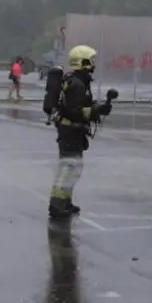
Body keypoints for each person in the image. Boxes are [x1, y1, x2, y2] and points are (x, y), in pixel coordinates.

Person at [49, 45, 112, 219]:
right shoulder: (76, 84)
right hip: (70, 130)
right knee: (68, 167)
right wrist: (96, 111)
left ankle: (65, 202)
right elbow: (74, 111)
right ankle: (57, 205)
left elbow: (81, 106)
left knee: (73, 167)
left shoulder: (78, 81)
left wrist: (97, 109)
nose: (93, 64)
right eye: (91, 61)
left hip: (72, 130)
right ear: (83, 61)